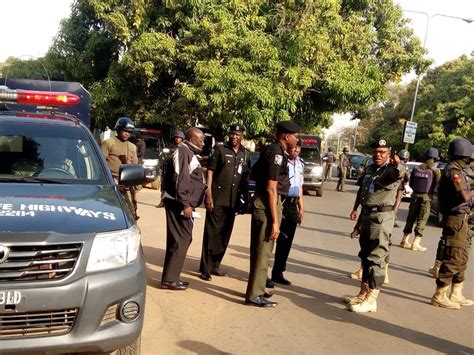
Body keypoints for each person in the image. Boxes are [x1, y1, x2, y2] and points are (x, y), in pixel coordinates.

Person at [344, 139, 404, 313]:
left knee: (377, 259)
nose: (378, 155)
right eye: (376, 151)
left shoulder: (391, 169)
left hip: (381, 218)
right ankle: (363, 293)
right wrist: (358, 218)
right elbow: (363, 194)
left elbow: (398, 173)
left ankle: (372, 298)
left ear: (389, 153)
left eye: (383, 152)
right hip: (367, 215)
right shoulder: (370, 169)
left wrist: (397, 164)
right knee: (365, 256)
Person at [245, 120, 300, 307]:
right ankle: (254, 295)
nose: (296, 139)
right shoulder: (276, 152)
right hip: (267, 205)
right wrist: (275, 221)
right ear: (286, 136)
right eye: (295, 136)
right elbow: (270, 188)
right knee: (262, 251)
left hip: (270, 203)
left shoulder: (277, 151)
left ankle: (258, 288)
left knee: (264, 251)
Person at [199, 124, 251, 281]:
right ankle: (205, 268)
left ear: (242, 136)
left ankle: (215, 265)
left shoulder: (246, 154)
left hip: (233, 201)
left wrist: (246, 199)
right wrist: (208, 194)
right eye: (232, 134)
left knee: (224, 235)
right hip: (217, 198)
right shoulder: (220, 150)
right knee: (211, 233)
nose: (234, 136)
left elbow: (246, 177)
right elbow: (210, 171)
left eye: (237, 134)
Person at [160, 127, 207, 290]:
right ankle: (170, 280)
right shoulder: (183, 151)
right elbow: (181, 178)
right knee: (182, 239)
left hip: (180, 202)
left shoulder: (188, 152)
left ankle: (171, 277)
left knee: (179, 240)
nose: (203, 143)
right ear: (192, 139)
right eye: (200, 140)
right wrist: (185, 204)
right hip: (178, 203)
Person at [431, 137, 473, 309]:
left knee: (462, 257)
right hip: (455, 219)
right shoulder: (453, 172)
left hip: (463, 219)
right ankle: (439, 294)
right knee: (453, 257)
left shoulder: (459, 171)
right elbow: (465, 196)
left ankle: (456, 293)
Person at [271, 139, 304, 285]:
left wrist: (301, 208)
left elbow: (300, 186)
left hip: (292, 204)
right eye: (293, 147)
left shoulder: (300, 164)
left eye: (298, 148)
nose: (295, 150)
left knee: (286, 241)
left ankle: (278, 272)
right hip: (281, 201)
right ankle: (262, 274)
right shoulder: (282, 161)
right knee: (273, 237)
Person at [400, 148, 441, 251]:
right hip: (426, 198)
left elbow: (412, 183)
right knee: (422, 220)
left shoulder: (416, 168)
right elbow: (438, 185)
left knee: (411, 218)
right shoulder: (435, 171)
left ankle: (404, 240)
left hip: (414, 196)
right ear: (435, 159)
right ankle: (415, 243)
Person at [101, 117, 139, 220]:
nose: (127, 134)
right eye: (125, 131)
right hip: (110, 183)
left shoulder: (132, 147)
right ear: (118, 130)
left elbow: (135, 168)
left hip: (126, 184)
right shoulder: (109, 143)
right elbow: (100, 164)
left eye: (129, 132)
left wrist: (134, 184)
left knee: (130, 214)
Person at [393, 149, 411, 228]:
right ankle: (393, 220)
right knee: (397, 203)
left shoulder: (393, 163)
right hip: (399, 187)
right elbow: (407, 178)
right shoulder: (405, 167)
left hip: (390, 186)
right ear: (406, 159)